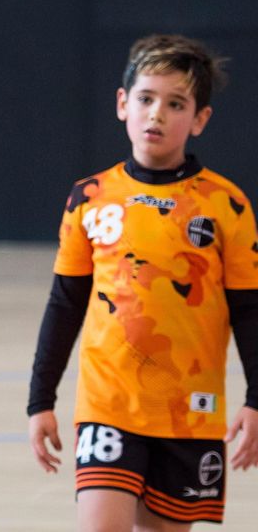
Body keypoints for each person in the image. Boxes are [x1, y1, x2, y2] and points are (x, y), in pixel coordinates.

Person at [28, 34, 258, 530]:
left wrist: (256, 400)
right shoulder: (89, 197)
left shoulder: (227, 205)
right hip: (108, 403)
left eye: (176, 104)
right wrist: (39, 400)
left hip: (190, 413)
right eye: (146, 98)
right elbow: (64, 305)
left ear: (199, 119)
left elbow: (249, 311)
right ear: (122, 103)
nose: (157, 114)